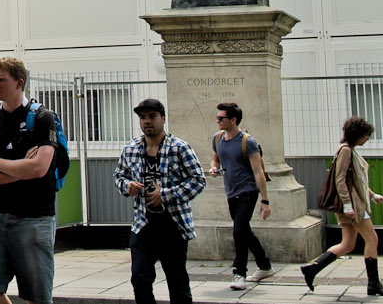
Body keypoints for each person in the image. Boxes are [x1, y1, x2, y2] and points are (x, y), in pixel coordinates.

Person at [0, 57, 58, 304]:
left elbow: (39, 168)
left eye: (2, 80)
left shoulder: (42, 118)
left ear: (19, 83)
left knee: (37, 297)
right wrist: (21, 169)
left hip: (35, 217)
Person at [112, 99, 205, 304]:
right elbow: (119, 176)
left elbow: (198, 180)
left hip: (173, 224)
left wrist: (165, 195)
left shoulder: (179, 148)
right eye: (143, 117)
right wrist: (128, 186)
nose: (147, 121)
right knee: (139, 278)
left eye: (152, 116)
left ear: (163, 118)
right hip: (143, 224)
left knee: (177, 282)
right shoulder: (131, 149)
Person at [299, 116, 383, 297]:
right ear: (357, 134)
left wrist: (373, 196)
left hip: (350, 205)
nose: (367, 138)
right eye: (366, 135)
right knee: (372, 239)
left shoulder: (349, 150)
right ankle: (373, 284)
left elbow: (356, 181)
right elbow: (340, 180)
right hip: (352, 206)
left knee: (348, 244)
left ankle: (311, 269)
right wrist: (348, 205)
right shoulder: (346, 151)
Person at [206, 101, 271, 289]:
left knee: (238, 231)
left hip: (248, 191)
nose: (217, 120)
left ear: (233, 120)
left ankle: (239, 274)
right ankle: (265, 265)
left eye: (221, 118)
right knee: (244, 231)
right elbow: (215, 158)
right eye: (217, 117)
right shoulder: (217, 138)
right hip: (231, 191)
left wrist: (265, 201)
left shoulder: (248, 142)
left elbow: (258, 172)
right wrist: (213, 168)